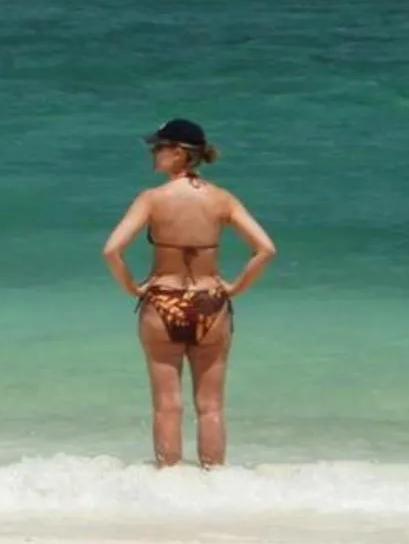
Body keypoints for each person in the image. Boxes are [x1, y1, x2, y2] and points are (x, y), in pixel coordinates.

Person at [100, 118, 278, 469]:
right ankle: (214, 489)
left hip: (162, 302)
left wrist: (132, 287)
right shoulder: (221, 199)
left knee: (167, 405)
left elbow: (111, 251)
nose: (153, 154)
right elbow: (265, 249)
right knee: (210, 406)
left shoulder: (152, 199)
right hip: (211, 304)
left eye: (159, 148)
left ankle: (170, 492)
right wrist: (235, 288)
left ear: (179, 153)